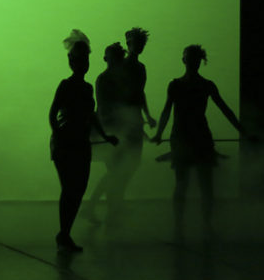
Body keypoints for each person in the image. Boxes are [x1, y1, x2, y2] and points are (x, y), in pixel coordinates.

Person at [151, 45, 247, 237]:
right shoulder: (187, 85)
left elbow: (225, 110)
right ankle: (189, 224)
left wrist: (242, 131)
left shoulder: (196, 85)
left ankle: (193, 224)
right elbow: (167, 111)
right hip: (186, 137)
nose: (191, 61)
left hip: (194, 136)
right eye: (190, 58)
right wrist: (159, 133)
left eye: (193, 58)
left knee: (196, 184)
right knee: (192, 184)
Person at [48, 30, 118, 252]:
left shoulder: (87, 88)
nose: (83, 64)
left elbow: (91, 115)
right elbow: (52, 114)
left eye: (86, 60)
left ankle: (64, 234)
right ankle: (64, 234)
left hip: (81, 143)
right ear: (72, 62)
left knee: (77, 190)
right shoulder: (65, 85)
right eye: (79, 60)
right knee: (70, 188)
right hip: (66, 144)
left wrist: (105, 136)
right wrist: (59, 135)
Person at [83, 42, 132, 224]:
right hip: (109, 130)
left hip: (112, 130)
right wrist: (107, 131)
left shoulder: (112, 79)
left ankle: (100, 207)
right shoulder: (105, 79)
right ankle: (98, 207)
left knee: (115, 171)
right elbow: (104, 107)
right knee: (115, 171)